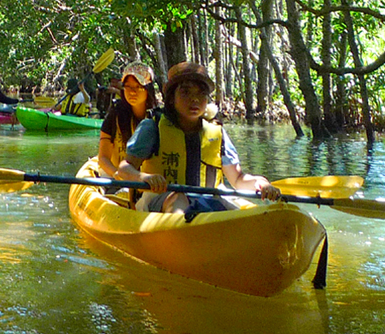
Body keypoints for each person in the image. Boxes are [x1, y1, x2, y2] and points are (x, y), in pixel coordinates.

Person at [116, 62, 279, 217]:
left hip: (207, 201)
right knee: (179, 198)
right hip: (161, 200)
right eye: (186, 92)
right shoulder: (152, 127)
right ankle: (181, 229)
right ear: (172, 98)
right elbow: (124, 169)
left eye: (201, 93)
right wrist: (144, 178)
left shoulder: (217, 133)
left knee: (230, 208)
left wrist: (261, 183)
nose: (194, 99)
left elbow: (237, 179)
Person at [97, 63, 156, 179]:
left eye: (138, 87)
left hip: (144, 179)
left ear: (148, 89)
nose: (132, 92)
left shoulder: (157, 118)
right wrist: (117, 175)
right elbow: (103, 157)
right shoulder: (115, 114)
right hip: (114, 177)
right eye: (128, 87)